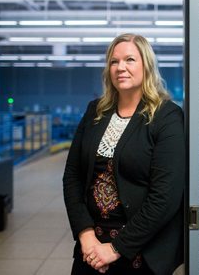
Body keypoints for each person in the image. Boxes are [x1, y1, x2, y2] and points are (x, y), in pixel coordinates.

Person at [63, 33, 185, 275]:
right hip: (91, 249)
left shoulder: (166, 117)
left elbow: (165, 197)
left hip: (140, 251)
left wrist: (116, 248)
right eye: (114, 61)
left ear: (146, 66)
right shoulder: (95, 111)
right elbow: (72, 176)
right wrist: (86, 235)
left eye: (130, 59)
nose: (121, 68)